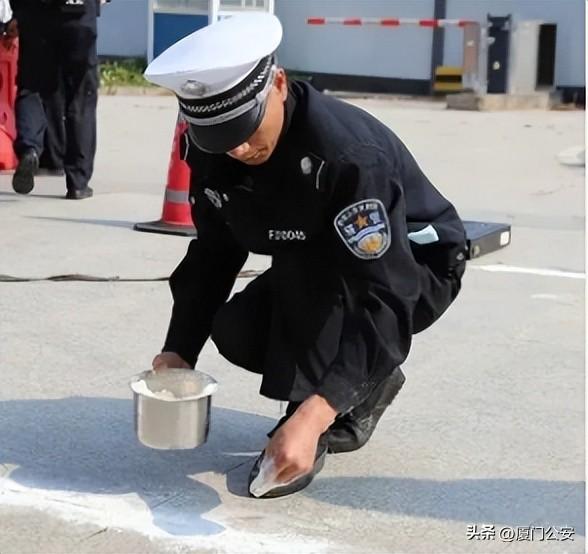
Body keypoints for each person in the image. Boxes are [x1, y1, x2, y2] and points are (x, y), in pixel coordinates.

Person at [146, 13, 467, 498]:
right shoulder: (216, 148)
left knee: (308, 278)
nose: (238, 149)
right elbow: (214, 252)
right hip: (315, 255)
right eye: (221, 137)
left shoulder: (346, 157)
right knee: (238, 329)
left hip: (414, 266)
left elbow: (386, 292)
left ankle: (318, 417)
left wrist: (315, 411)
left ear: (277, 83)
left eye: (246, 129)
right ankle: (360, 382)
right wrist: (179, 352)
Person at [10, 0, 109, 199]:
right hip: (78, 15)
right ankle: (78, 182)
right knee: (81, 96)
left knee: (31, 87)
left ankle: (30, 148)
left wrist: (18, 12)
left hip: (35, 15)